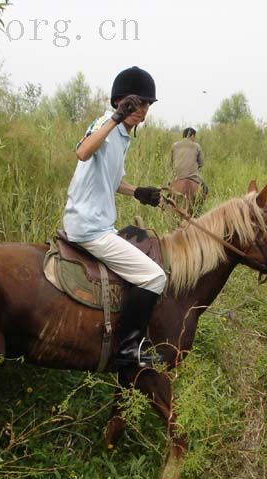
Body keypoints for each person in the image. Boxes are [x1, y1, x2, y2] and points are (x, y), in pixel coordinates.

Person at [62, 66, 166, 369]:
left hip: (99, 223)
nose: (141, 110)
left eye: (146, 105)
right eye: (135, 104)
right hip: (89, 227)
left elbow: (111, 179)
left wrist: (136, 192)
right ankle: (127, 351)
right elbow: (83, 152)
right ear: (119, 102)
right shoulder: (105, 126)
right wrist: (115, 117)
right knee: (154, 276)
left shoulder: (122, 137)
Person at [170, 127, 207, 195]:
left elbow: (171, 164)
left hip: (177, 176)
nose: (194, 139)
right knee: (205, 188)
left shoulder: (174, 145)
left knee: (167, 190)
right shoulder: (197, 146)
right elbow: (201, 163)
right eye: (194, 137)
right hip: (193, 176)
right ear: (192, 136)